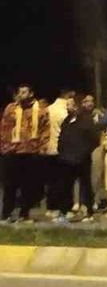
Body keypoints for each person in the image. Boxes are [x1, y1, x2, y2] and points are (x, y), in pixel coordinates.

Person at [1, 86, 49, 223]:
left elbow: (45, 130)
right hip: (13, 151)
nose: (21, 94)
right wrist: (4, 147)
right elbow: (4, 128)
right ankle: (6, 214)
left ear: (31, 93)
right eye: (19, 92)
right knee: (10, 185)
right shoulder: (11, 108)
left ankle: (24, 214)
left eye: (24, 92)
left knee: (28, 185)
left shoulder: (40, 109)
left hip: (31, 152)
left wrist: (42, 149)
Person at [58, 94, 100, 223]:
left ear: (76, 106)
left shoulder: (86, 119)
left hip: (82, 159)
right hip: (66, 159)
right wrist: (62, 151)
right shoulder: (67, 120)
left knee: (85, 186)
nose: (67, 107)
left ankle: (88, 212)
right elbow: (62, 137)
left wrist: (84, 153)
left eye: (69, 105)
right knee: (66, 186)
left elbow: (94, 139)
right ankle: (66, 211)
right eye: (67, 105)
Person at [42, 89, 75, 221]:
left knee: (51, 181)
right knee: (64, 181)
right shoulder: (65, 112)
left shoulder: (48, 109)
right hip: (62, 149)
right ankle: (64, 209)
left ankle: (51, 207)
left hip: (48, 149)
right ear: (68, 96)